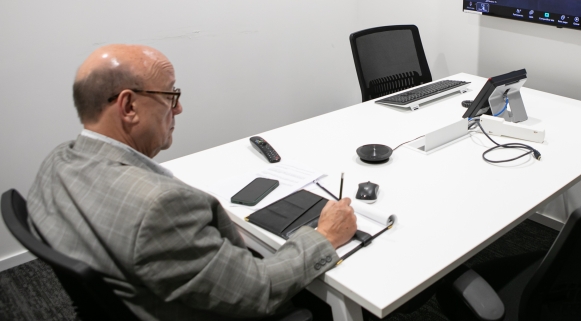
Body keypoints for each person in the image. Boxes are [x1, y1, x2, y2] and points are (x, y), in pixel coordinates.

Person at [27, 44, 358, 320]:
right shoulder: (160, 208)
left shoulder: (56, 162)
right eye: (171, 95)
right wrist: (324, 236)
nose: (179, 107)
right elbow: (260, 290)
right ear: (129, 106)